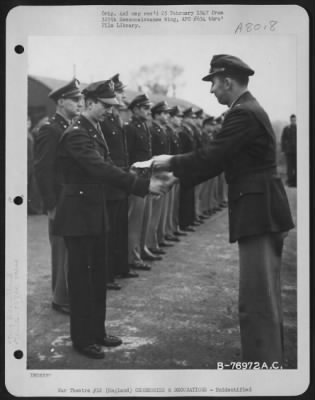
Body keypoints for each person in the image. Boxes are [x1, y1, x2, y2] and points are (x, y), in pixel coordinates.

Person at [153, 54, 294, 366]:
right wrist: (178, 176)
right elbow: (222, 159)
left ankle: (262, 372)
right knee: (263, 298)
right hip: (262, 210)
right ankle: (267, 364)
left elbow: (213, 156)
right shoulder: (247, 110)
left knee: (257, 302)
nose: (211, 90)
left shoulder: (242, 113)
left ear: (227, 81)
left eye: (214, 83)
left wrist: (165, 161)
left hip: (259, 213)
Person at [53, 80, 174, 359]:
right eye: (105, 106)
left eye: (112, 107)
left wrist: (135, 173)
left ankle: (97, 331)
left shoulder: (93, 129)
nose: (110, 111)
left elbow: (107, 166)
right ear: (91, 102)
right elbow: (99, 168)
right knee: (83, 279)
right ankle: (83, 339)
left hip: (94, 210)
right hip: (79, 216)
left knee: (97, 275)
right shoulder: (76, 133)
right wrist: (141, 186)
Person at [34, 78, 83, 314]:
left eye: (81, 99)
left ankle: (66, 293)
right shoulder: (50, 128)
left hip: (71, 197)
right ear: (61, 101)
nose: (80, 103)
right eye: (75, 99)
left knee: (70, 248)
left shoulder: (69, 126)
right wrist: (50, 204)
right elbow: (43, 169)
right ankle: (60, 298)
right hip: (60, 198)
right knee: (61, 249)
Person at [100, 74, 137, 289]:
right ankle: (107, 274)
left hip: (120, 179)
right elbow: (106, 154)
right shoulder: (105, 120)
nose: (123, 96)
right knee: (110, 229)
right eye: (120, 93)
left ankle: (120, 267)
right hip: (111, 181)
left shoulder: (116, 119)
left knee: (120, 226)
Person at [125, 94, 154, 270]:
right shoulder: (130, 128)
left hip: (146, 177)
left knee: (144, 217)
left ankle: (141, 249)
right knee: (134, 220)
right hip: (136, 178)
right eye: (144, 108)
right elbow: (129, 154)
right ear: (135, 109)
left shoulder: (143, 126)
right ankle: (132, 255)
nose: (148, 111)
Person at [281, 114, 297, 187]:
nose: (293, 121)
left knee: (297, 167)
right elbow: (283, 139)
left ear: (296, 120)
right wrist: (283, 149)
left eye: (294, 120)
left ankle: (296, 182)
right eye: (292, 120)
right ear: (290, 120)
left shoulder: (299, 128)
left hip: (297, 152)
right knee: (289, 167)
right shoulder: (286, 128)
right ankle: (290, 182)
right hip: (289, 151)